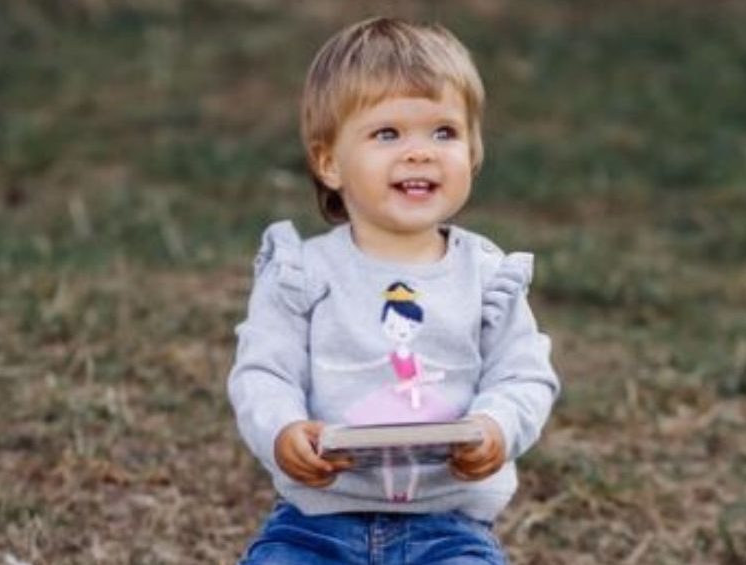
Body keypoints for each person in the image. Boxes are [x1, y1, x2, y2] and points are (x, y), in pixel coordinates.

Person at [228, 16, 560, 564]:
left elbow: (523, 374)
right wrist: (283, 430)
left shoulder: (486, 275)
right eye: (388, 134)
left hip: (448, 527)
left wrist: (495, 427)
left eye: (444, 132)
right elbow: (264, 373)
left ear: (474, 151)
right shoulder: (301, 273)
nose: (419, 152)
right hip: (315, 523)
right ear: (329, 162)